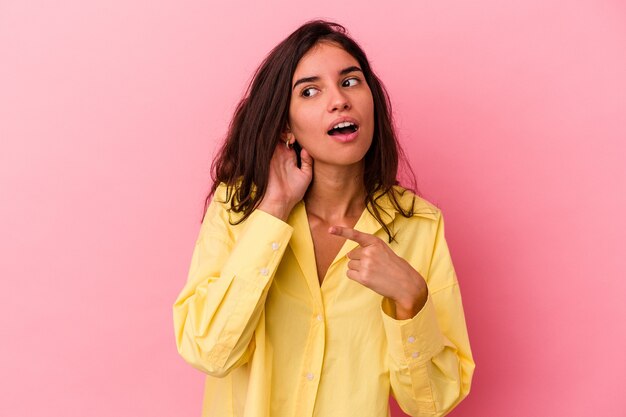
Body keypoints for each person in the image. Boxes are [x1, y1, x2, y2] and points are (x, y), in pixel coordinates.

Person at [172, 19, 475, 417]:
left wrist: (411, 300)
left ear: (371, 99)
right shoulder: (238, 208)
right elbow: (207, 350)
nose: (339, 100)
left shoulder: (420, 225)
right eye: (311, 91)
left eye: (350, 82)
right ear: (286, 125)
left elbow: (429, 404)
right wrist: (274, 211)